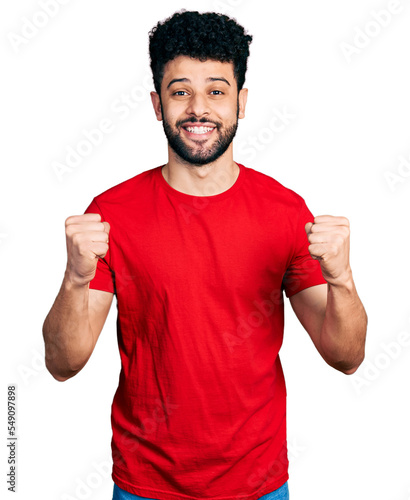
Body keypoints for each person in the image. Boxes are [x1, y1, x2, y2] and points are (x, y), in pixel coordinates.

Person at [42, 10, 367, 500]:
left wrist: (342, 279)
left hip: (256, 484)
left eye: (216, 90)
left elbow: (347, 357)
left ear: (242, 101)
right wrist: (74, 277)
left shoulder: (285, 212)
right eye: (180, 91)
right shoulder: (111, 215)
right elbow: (63, 364)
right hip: (145, 484)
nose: (198, 108)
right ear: (157, 104)